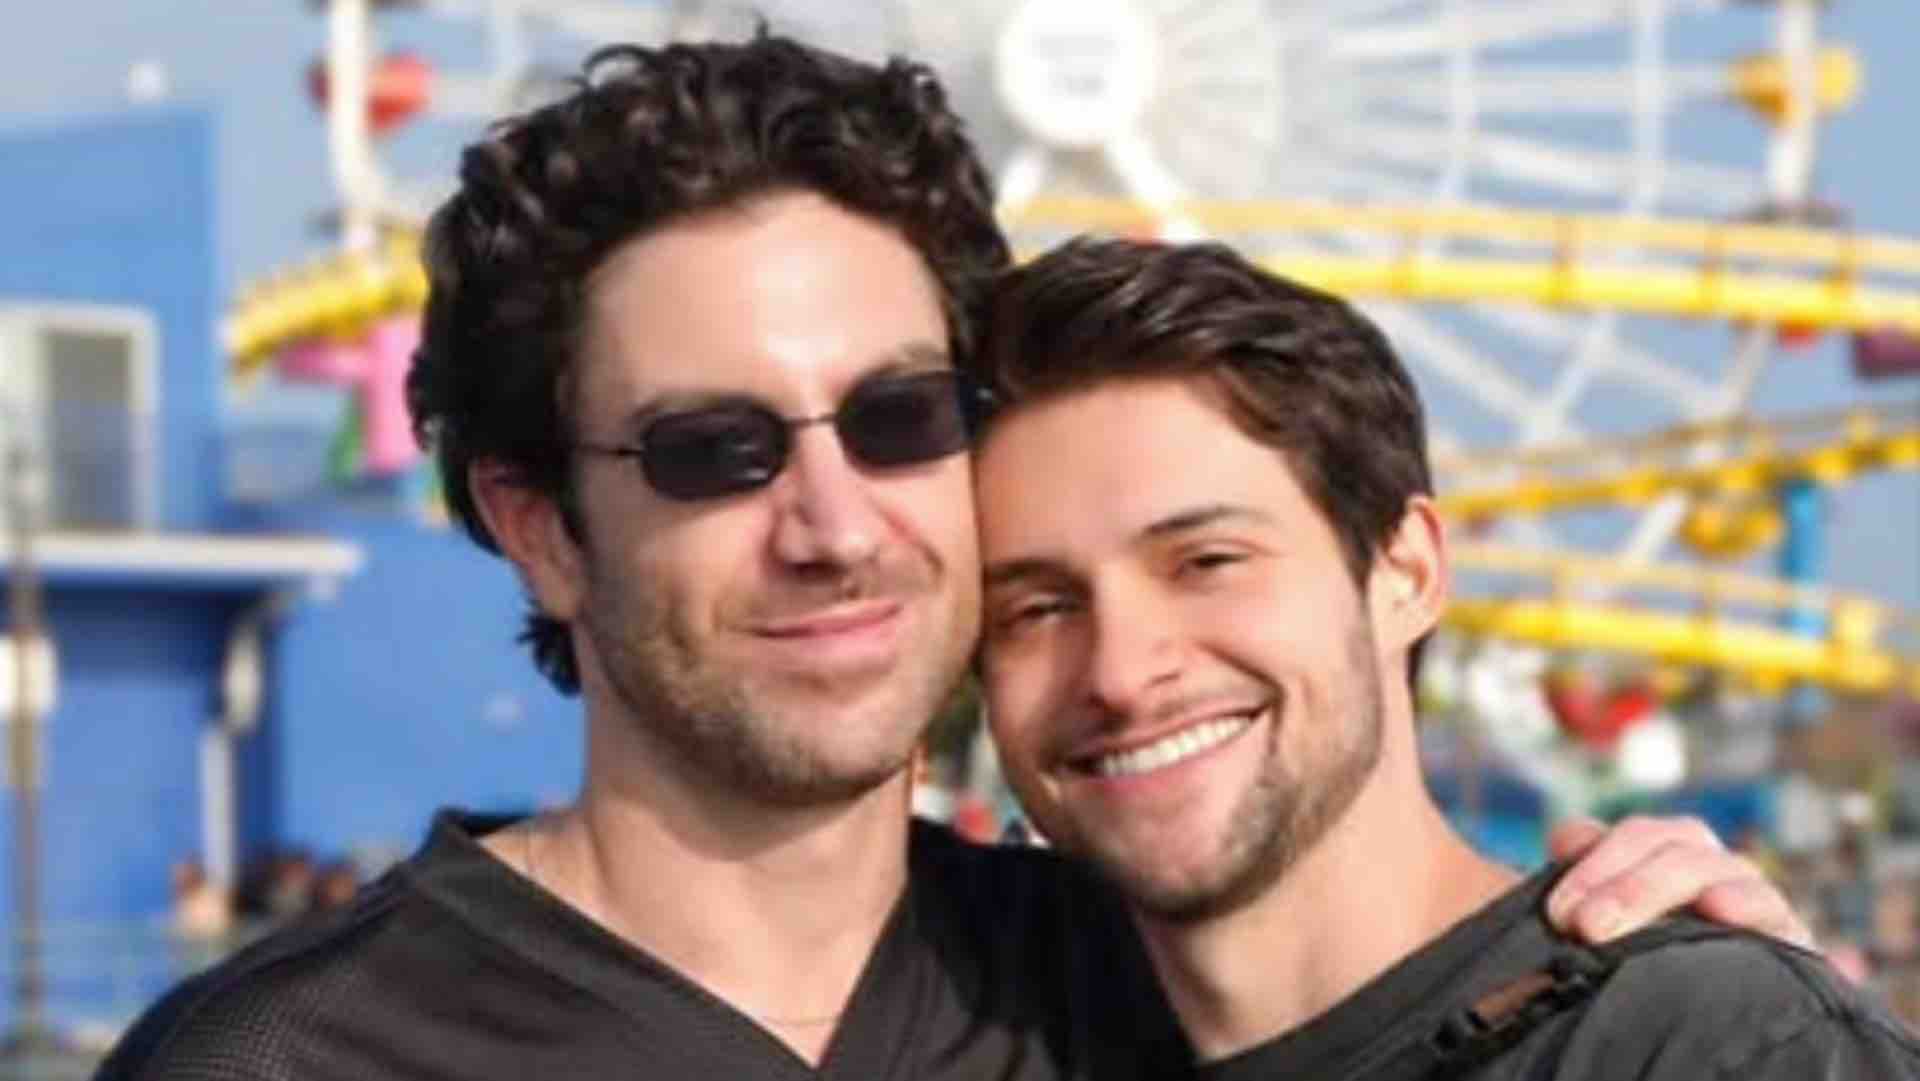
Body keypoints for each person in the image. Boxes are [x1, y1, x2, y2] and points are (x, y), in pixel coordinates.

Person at [98, 34, 1812, 1081]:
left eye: (906, 415)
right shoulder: (296, 1057)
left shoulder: (1143, 983)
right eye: (715, 450)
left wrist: (1703, 989)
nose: (836, 523)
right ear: (541, 526)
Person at [969, 235, 1920, 1080]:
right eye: (1037, 608)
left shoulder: (1704, 1047)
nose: (1121, 673)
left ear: (1408, 572)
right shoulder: (980, 1033)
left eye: (1209, 561)